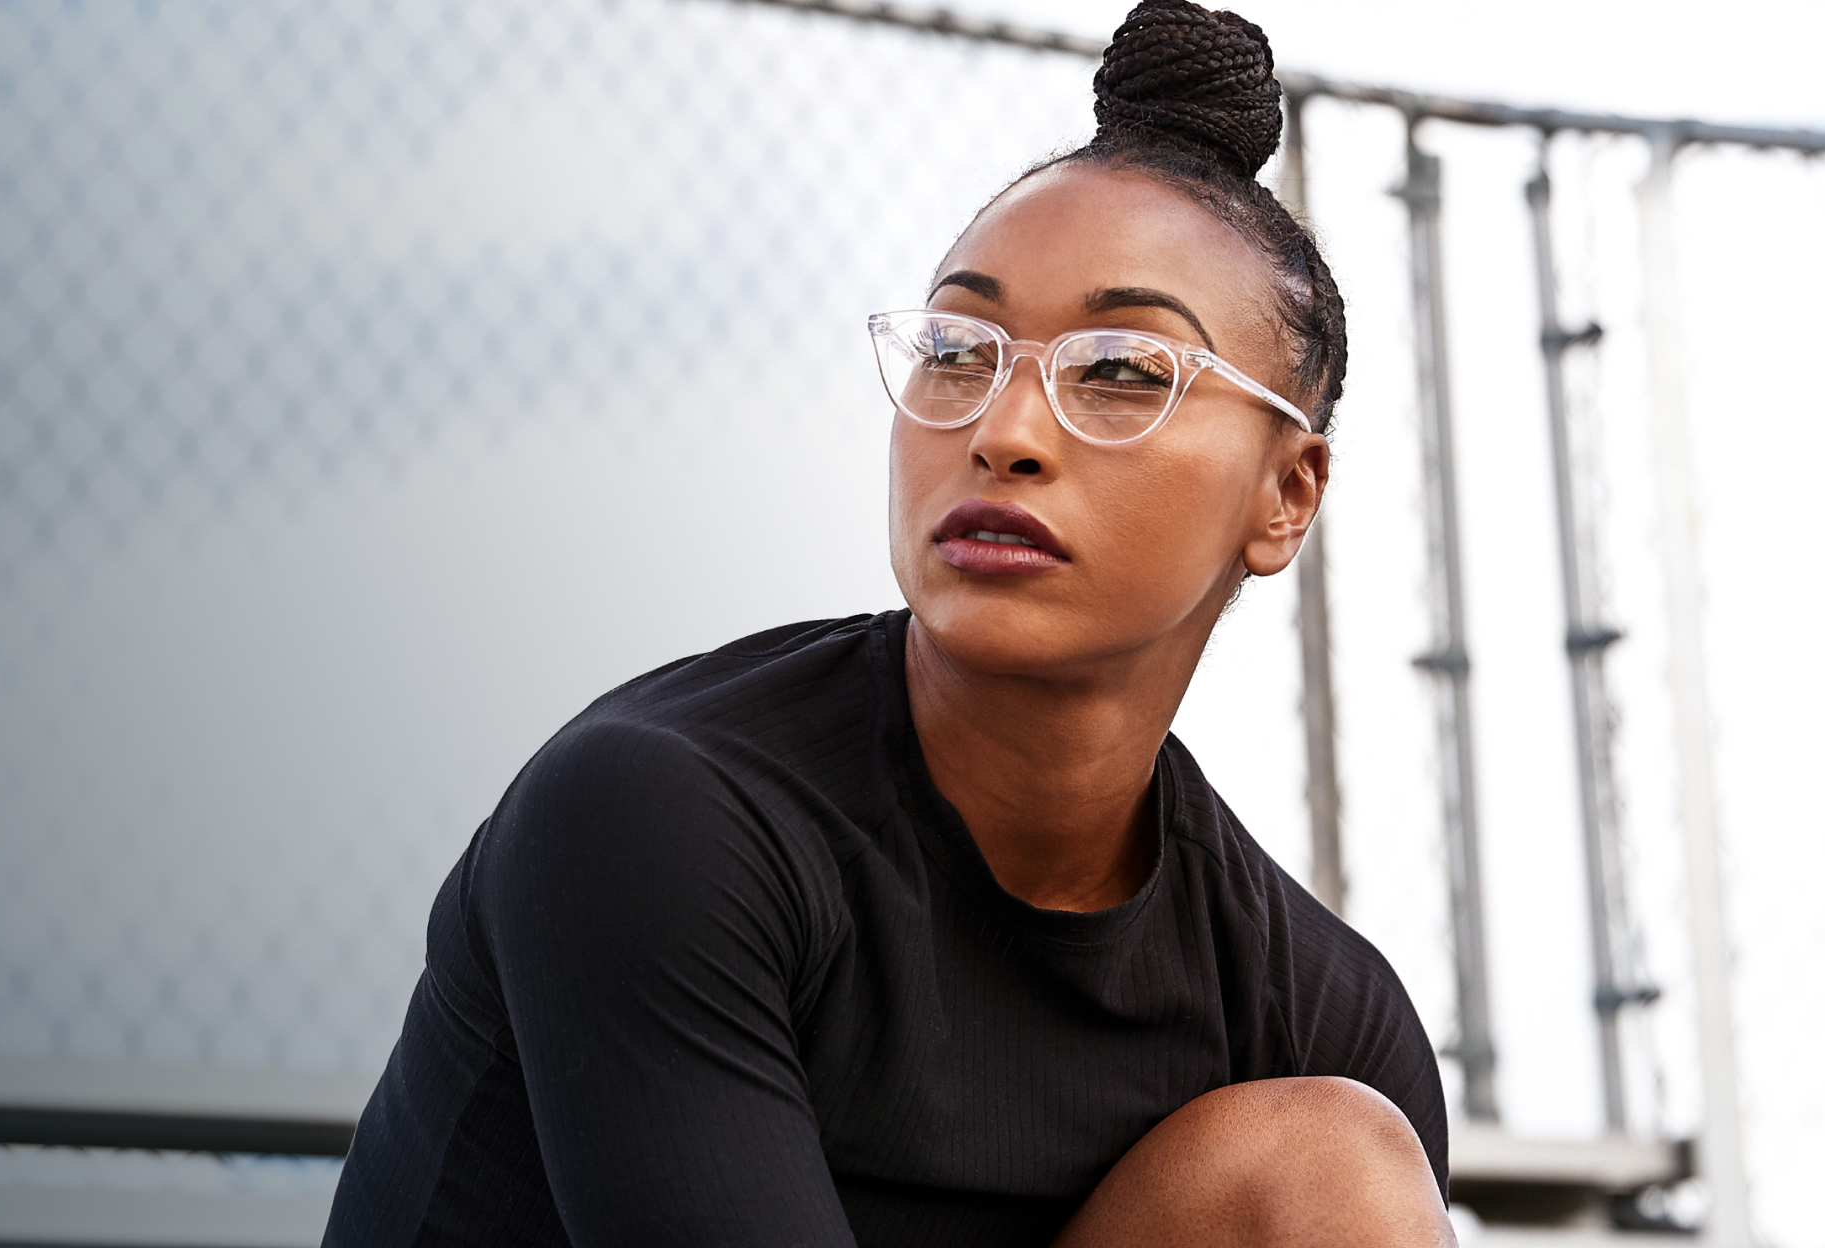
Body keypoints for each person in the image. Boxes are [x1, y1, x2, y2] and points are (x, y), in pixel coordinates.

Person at [326, 3, 1451, 1244]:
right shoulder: (665, 819)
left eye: (1118, 371)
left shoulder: (1315, 1019)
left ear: (1285, 494)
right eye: (959, 350)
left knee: (1325, 1166)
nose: (1003, 433)